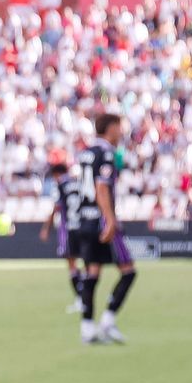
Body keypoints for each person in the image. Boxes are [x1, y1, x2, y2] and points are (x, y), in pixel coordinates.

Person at [70, 114, 138, 345]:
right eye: (120, 128)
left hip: (84, 219)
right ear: (110, 128)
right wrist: (110, 220)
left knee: (92, 273)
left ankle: (87, 328)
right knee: (128, 270)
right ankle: (108, 321)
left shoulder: (87, 152)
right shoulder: (107, 153)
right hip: (101, 219)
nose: (121, 133)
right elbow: (101, 188)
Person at [39, 159, 83, 313]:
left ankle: (81, 299)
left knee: (72, 265)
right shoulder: (79, 183)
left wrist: (46, 228)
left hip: (69, 229)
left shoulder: (61, 185)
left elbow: (56, 208)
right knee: (88, 264)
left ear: (56, 174)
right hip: (84, 226)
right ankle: (86, 296)